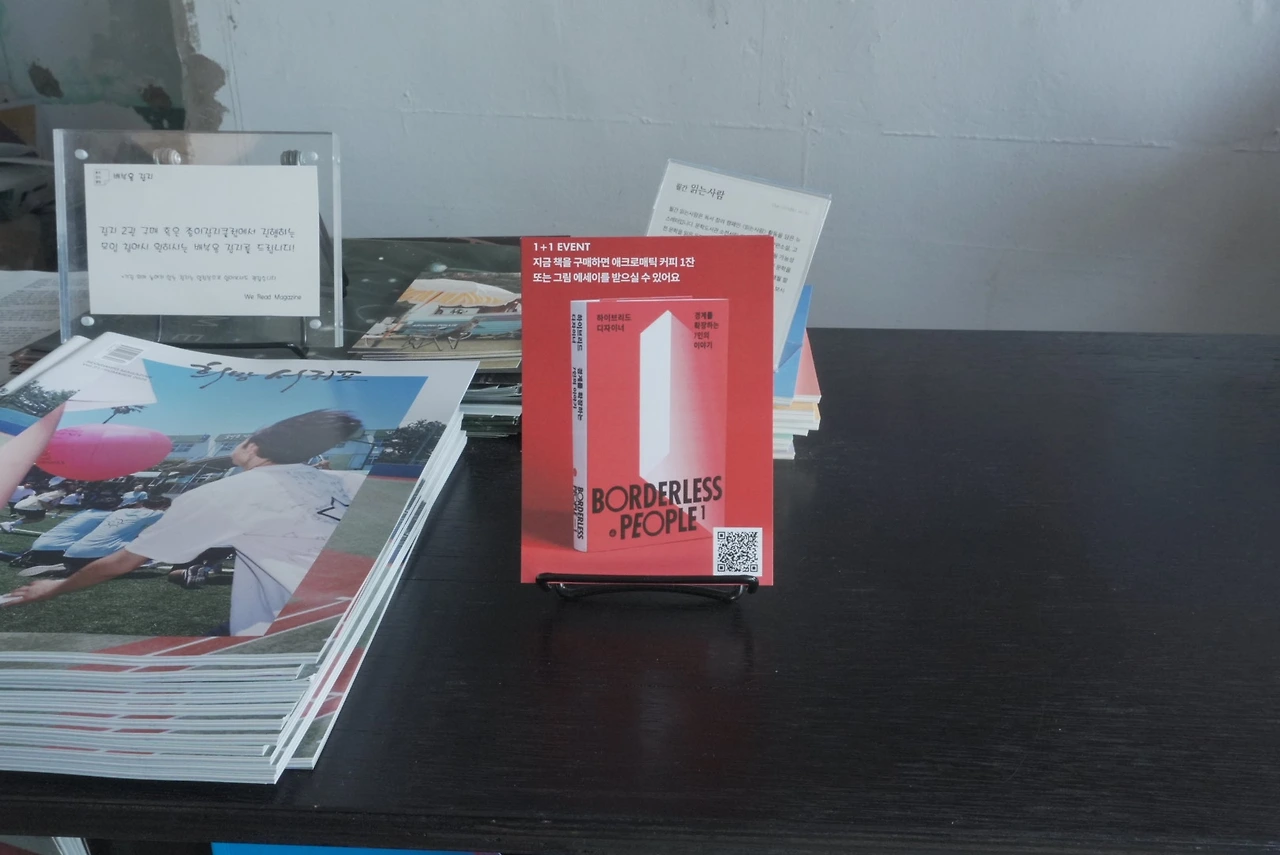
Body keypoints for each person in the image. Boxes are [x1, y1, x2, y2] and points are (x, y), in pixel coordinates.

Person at [3, 410, 363, 636]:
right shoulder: (349, 481)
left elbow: (123, 562)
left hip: (280, 622)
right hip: (350, 612)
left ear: (252, 447)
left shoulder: (224, 494)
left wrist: (55, 588)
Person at [60, 496, 170, 573]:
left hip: (71, 556)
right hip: (93, 559)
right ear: (163, 506)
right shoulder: (155, 513)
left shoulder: (120, 511)